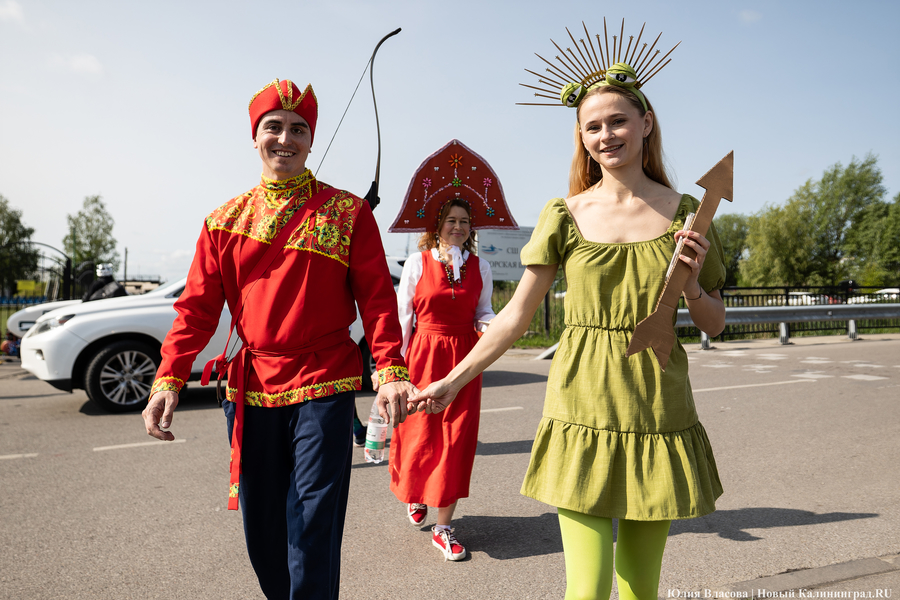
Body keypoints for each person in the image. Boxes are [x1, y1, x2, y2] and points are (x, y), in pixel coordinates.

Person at [415, 25, 726, 600]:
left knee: (641, 588)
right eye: (593, 127)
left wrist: (690, 287)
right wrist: (452, 381)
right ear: (581, 137)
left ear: (646, 123)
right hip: (581, 405)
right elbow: (514, 316)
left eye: (618, 121)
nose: (606, 135)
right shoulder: (564, 213)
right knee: (586, 588)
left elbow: (714, 323)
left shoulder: (688, 212)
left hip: (657, 409)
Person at [141, 78, 418, 600]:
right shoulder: (223, 221)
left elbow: (378, 300)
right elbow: (196, 309)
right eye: (274, 127)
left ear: (311, 140)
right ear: (255, 137)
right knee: (263, 528)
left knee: (312, 522)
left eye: (298, 129)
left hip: (324, 381)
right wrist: (168, 379)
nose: (285, 139)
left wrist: (390, 369)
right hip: (250, 388)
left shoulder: (348, 213)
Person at [377, 198, 495, 561]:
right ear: (437, 225)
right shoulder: (418, 262)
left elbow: (484, 310)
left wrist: (493, 326)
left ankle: (443, 527)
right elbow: (403, 316)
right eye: (451, 220)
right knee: (419, 435)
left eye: (464, 221)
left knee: (456, 440)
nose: (458, 227)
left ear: (471, 228)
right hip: (423, 355)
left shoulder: (481, 266)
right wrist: (392, 368)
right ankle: (416, 493)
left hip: (463, 362)